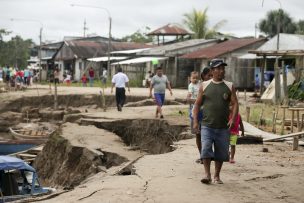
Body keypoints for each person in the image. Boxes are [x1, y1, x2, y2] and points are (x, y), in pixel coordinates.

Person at [193, 58, 238, 184]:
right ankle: (207, 175)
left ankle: (217, 176)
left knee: (221, 152)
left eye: (223, 68)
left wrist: (233, 119)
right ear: (212, 71)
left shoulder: (229, 86)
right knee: (206, 148)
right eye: (218, 68)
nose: (221, 71)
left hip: (223, 126)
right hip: (207, 125)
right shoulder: (204, 86)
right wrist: (196, 121)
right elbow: (197, 105)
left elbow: (235, 104)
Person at [187, 71, 203, 163]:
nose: (195, 79)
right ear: (190, 78)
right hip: (195, 111)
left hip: (202, 111)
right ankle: (202, 155)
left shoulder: (201, 84)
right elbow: (189, 98)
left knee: (202, 134)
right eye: (193, 78)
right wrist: (197, 101)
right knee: (198, 134)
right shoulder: (190, 86)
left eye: (196, 78)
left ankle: (204, 155)